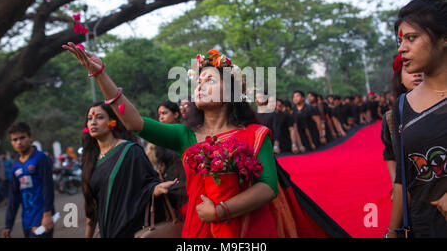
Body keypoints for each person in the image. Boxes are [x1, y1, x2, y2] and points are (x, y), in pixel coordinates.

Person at [63, 44, 349, 238]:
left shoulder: (253, 134)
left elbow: (268, 188)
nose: (200, 84)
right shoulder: (185, 135)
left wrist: (220, 211)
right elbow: (134, 122)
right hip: (199, 230)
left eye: (209, 79)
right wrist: (101, 74)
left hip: (251, 229)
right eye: (198, 81)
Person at [387, 0, 447, 238]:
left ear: (444, 38)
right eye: (400, 41)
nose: (402, 49)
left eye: (411, 38)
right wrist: (392, 233)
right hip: (424, 229)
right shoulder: (402, 107)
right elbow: (404, 181)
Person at [81, 102, 177, 238]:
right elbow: (92, 207)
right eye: (90, 119)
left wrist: (155, 189)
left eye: (99, 117)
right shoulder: (90, 160)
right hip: (107, 231)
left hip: (130, 229)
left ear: (112, 122)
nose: (93, 122)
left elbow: (148, 183)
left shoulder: (130, 151)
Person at [382, 53, 423, 202]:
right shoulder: (391, 117)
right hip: (410, 190)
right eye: (409, 69)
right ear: (399, 78)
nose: (417, 74)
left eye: (422, 68)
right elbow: (390, 153)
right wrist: (396, 184)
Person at [2, 122, 55, 238]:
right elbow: (14, 196)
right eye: (14, 140)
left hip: (42, 216)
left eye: (22, 138)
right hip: (27, 219)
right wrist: (8, 225)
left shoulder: (41, 159)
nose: (19, 142)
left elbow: (48, 187)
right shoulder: (15, 165)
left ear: (30, 137)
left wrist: (47, 214)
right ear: (11, 142)